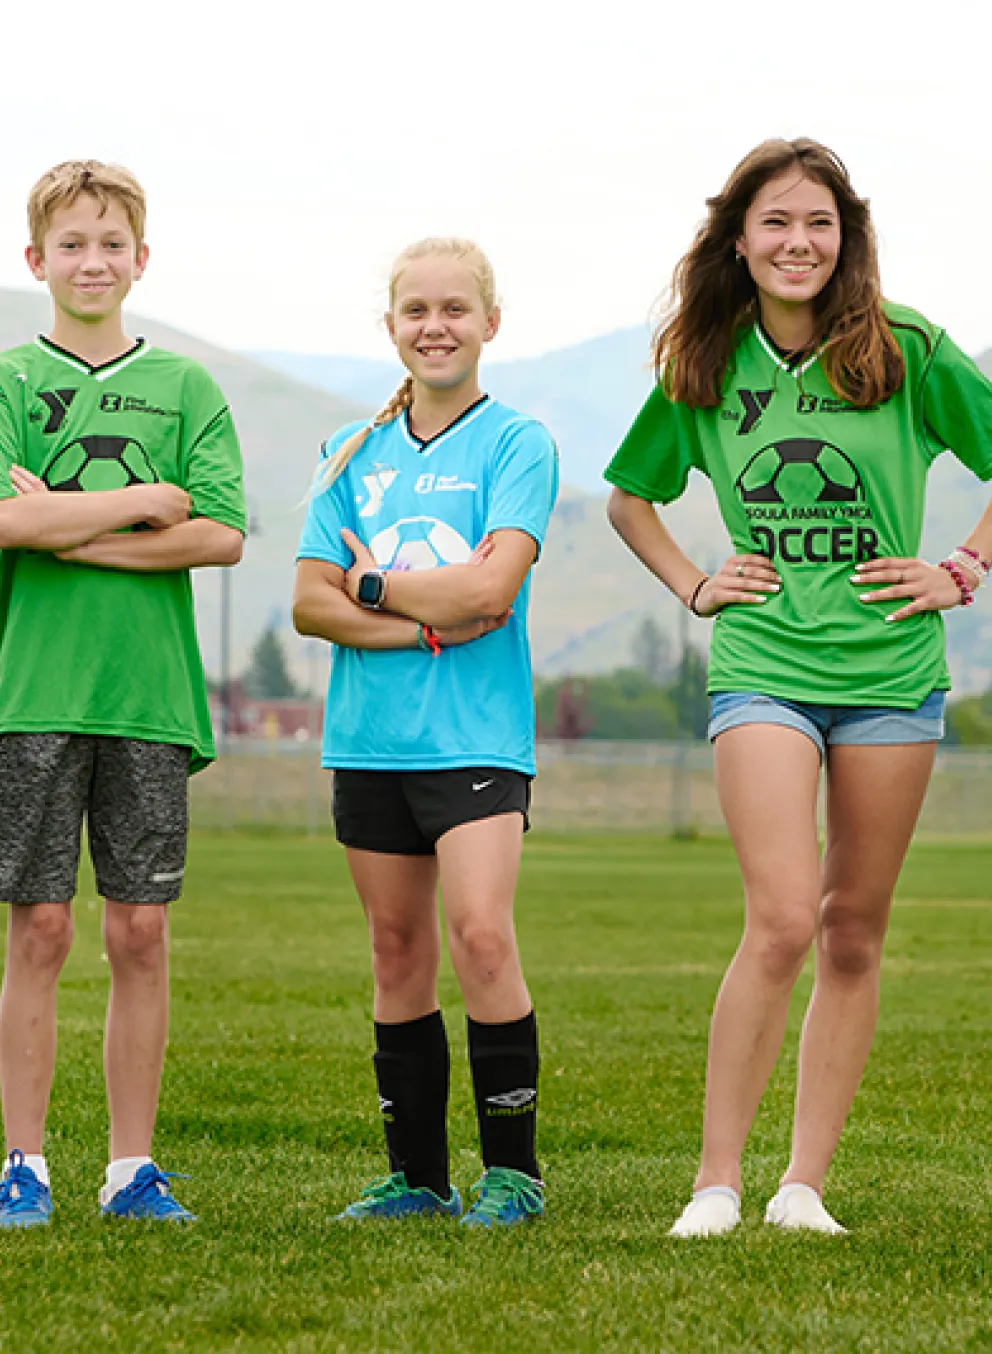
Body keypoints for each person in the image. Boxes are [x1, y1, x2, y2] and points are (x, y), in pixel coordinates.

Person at [604, 138, 992, 1236]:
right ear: (738, 237)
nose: (796, 243)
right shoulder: (704, 359)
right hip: (764, 663)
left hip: (890, 670)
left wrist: (958, 567)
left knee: (851, 928)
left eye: (817, 223)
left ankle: (799, 1186)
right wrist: (693, 584)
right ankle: (714, 1183)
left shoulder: (905, 347)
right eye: (774, 222)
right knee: (779, 918)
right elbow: (631, 496)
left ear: (845, 237)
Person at [0, 160, 246, 1226]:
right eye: (71, 244)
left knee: (139, 934)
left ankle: (130, 1171)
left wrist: (71, 525)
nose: (91, 261)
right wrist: (147, 502)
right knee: (40, 929)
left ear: (141, 259)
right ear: (35, 260)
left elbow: (223, 535)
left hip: (149, 696)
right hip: (33, 691)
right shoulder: (10, 381)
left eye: (112, 244)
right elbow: (6, 525)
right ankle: (23, 1165)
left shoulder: (187, 388)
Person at [293, 237, 558, 1227]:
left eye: (454, 309)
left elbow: (493, 590)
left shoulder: (515, 443)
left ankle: (513, 1175)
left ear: (490, 322)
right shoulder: (348, 451)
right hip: (368, 738)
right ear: (391, 325)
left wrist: (370, 582)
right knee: (396, 950)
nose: (434, 326)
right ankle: (417, 1178)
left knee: (482, 936)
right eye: (415, 310)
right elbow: (305, 606)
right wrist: (424, 619)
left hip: (477, 739)